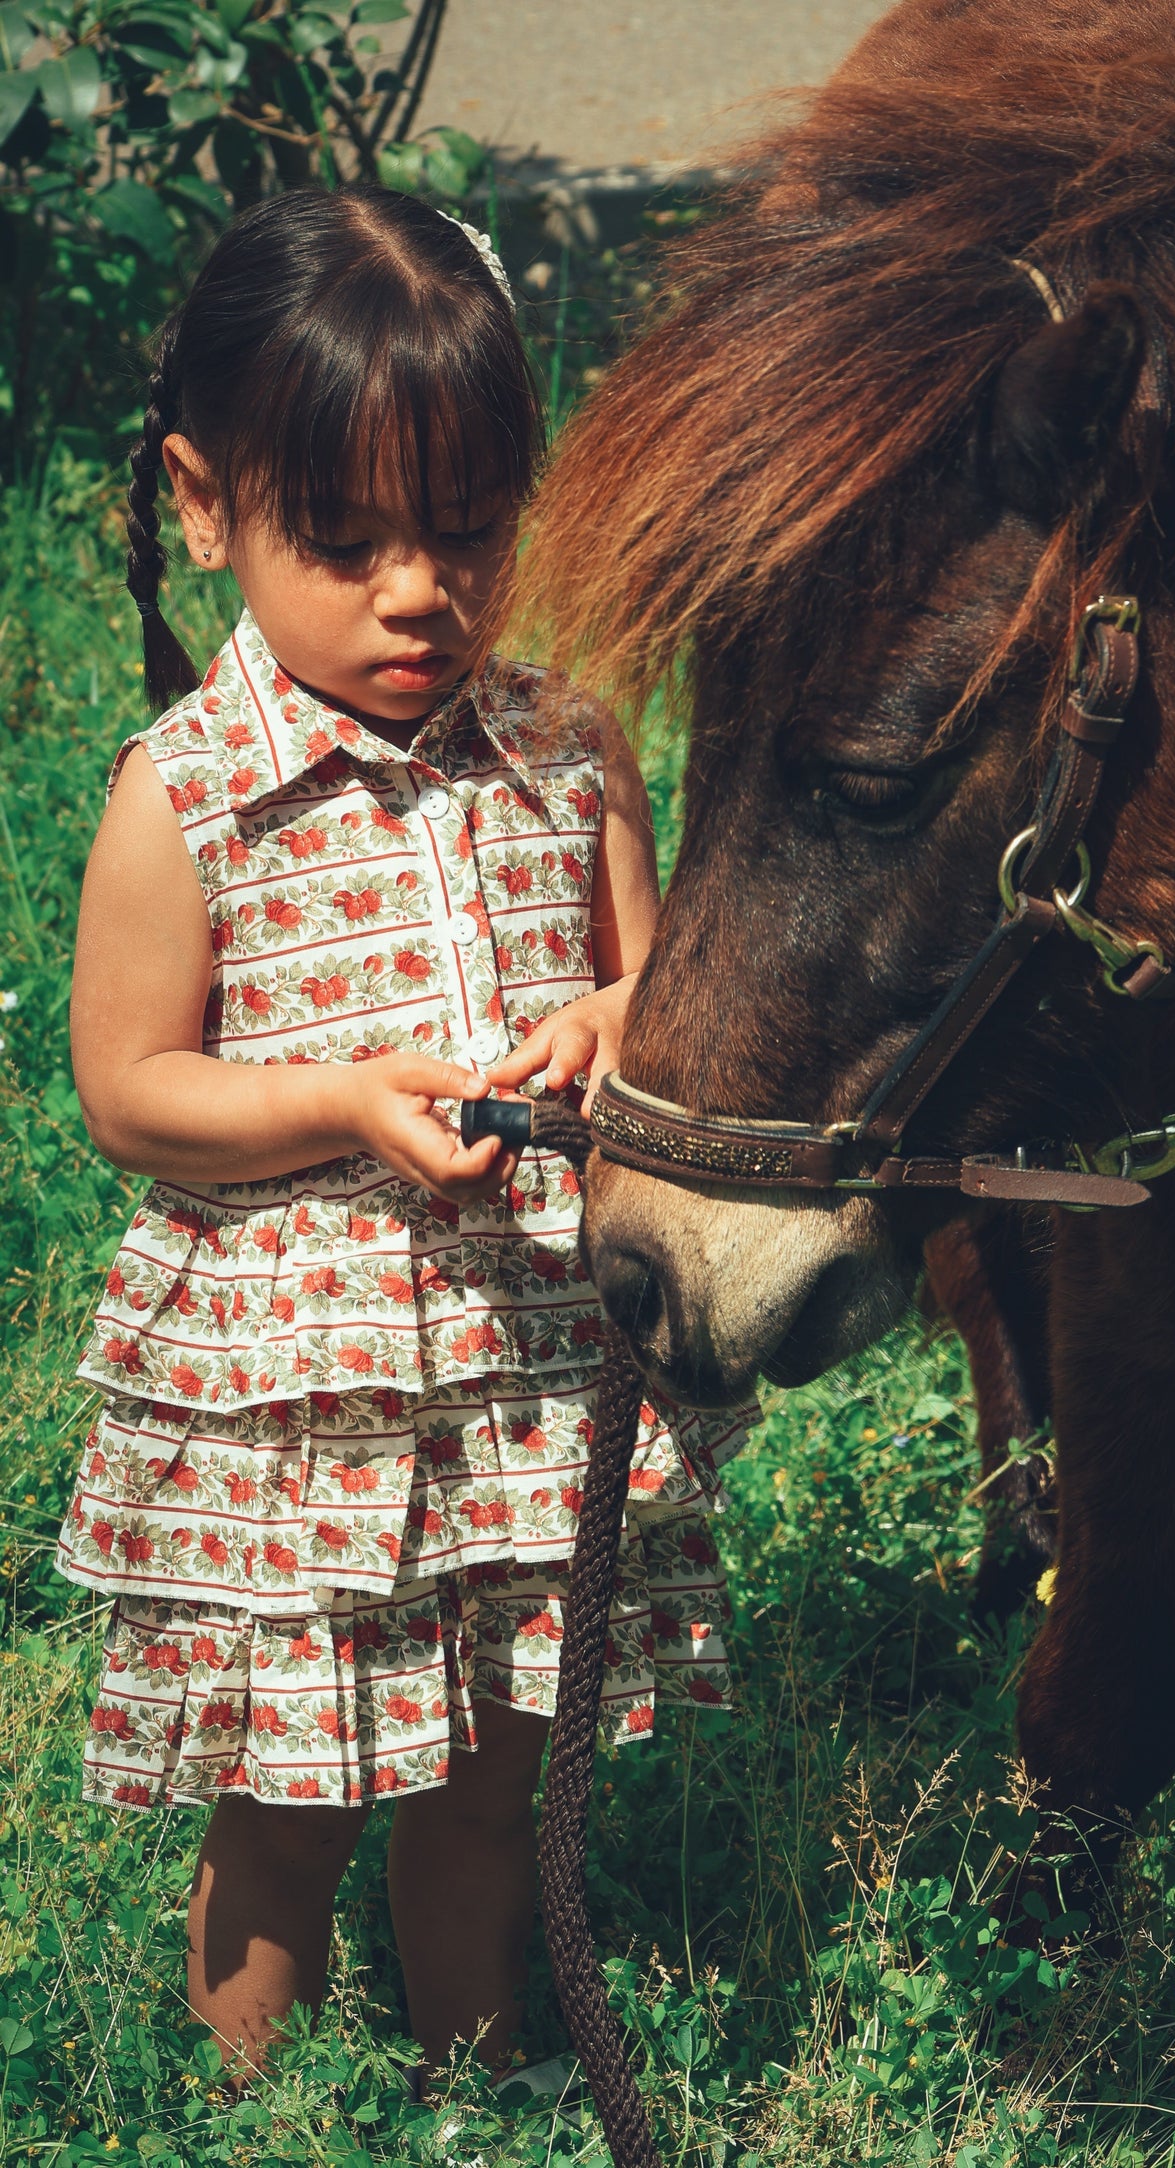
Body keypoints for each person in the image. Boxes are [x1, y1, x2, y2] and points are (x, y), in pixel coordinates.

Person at [59, 185, 749, 2084]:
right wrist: (337, 1102)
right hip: (311, 1409)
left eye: (465, 532)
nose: (418, 592)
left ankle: (476, 2075)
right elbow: (127, 1087)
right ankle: (249, 2104)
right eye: (345, 541)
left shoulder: (570, 741)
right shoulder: (188, 790)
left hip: (527, 1377)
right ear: (206, 505)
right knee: (289, 1792)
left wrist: (619, 1023)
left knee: (491, 1773)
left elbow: (658, 988)